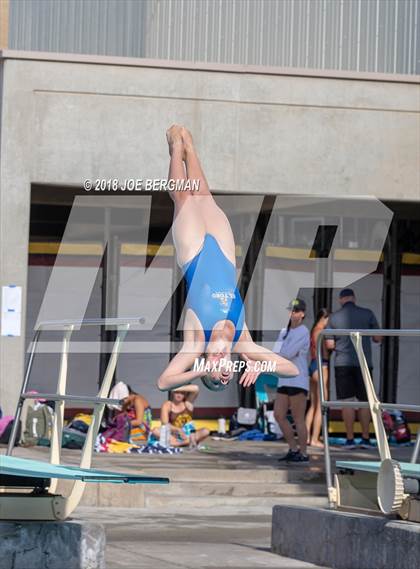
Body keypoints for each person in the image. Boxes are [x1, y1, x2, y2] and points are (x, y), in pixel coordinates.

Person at [156, 125, 299, 392]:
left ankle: (175, 148)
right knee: (203, 196)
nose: (223, 372)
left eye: (216, 376)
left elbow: (163, 382)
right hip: (223, 253)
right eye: (227, 376)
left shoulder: (196, 344)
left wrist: (196, 372)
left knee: (183, 197)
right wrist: (261, 365)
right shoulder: (243, 344)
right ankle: (189, 146)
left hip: (194, 255)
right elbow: (293, 369)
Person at [325, 288, 383, 449]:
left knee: (347, 402)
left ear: (340, 300)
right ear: (354, 298)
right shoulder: (368, 313)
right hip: (364, 363)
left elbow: (329, 344)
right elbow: (378, 338)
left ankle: (350, 439)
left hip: (342, 364)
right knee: (365, 402)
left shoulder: (334, 317)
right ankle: (365, 438)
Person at [273, 299, 310, 463]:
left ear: (302, 314)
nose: (292, 313)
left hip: (298, 379)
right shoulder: (283, 331)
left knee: (298, 418)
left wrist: (277, 355)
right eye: (290, 310)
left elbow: (287, 353)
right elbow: (276, 352)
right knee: (279, 415)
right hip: (284, 379)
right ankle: (293, 448)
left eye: (295, 311)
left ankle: (303, 452)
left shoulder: (303, 331)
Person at [305, 308, 330, 447]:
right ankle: (315, 439)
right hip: (321, 365)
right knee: (321, 405)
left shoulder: (312, 329)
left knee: (313, 405)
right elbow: (324, 351)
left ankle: (307, 437)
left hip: (312, 365)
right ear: (324, 318)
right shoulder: (320, 331)